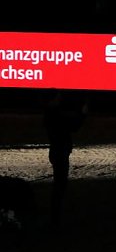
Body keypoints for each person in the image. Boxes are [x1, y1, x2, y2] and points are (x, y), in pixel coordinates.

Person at [43, 89, 88, 225]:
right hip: (60, 151)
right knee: (59, 186)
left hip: (56, 150)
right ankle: (55, 219)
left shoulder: (49, 113)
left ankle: (55, 217)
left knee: (59, 185)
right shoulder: (55, 114)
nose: (60, 99)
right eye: (57, 97)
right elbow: (73, 127)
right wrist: (82, 115)